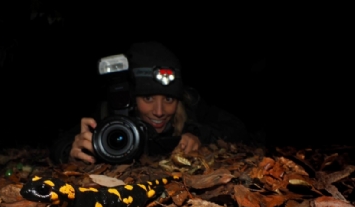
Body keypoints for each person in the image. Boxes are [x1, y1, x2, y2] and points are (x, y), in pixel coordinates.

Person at [51, 41, 248, 164]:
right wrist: (71, 152)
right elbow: (59, 143)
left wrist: (197, 135)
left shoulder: (191, 105)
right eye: (148, 98)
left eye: (169, 99)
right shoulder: (110, 113)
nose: (159, 111)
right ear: (132, 98)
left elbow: (237, 127)